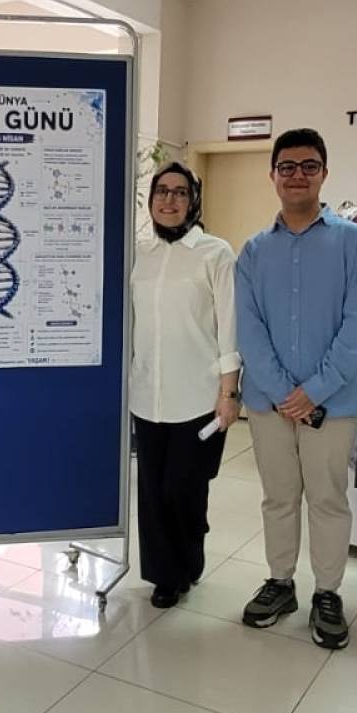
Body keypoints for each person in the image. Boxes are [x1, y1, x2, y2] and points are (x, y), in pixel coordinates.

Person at [236, 128, 357, 649]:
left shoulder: (354, 243)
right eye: (288, 166)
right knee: (278, 498)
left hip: (332, 403)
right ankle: (281, 582)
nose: (298, 175)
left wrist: (314, 390)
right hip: (269, 403)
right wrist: (282, 391)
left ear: (324, 173)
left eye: (309, 166)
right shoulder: (253, 251)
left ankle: (327, 592)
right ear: (273, 175)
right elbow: (248, 328)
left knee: (327, 499)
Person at [131, 164, 240, 608]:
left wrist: (229, 393)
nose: (170, 200)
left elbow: (230, 326)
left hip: (198, 397)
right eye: (162, 191)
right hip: (147, 394)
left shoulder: (215, 253)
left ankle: (188, 563)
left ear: (193, 200)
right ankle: (164, 575)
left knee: (184, 489)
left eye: (180, 192)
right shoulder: (140, 252)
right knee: (153, 493)